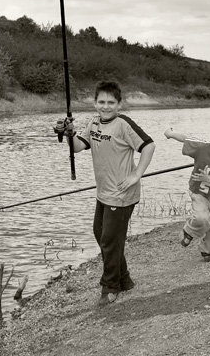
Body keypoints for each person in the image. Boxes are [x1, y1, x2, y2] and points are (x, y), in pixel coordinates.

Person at [54, 80, 155, 306]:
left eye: (111, 102)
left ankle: (110, 287)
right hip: (103, 193)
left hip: (121, 194)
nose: (106, 106)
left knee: (109, 240)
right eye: (102, 101)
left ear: (119, 104)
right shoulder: (95, 123)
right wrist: (68, 134)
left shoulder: (124, 124)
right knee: (101, 234)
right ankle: (125, 279)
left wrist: (136, 175)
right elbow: (79, 146)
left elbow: (149, 146)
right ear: (95, 103)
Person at [164, 118, 210, 262]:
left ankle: (206, 249)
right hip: (198, 191)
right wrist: (171, 133)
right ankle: (189, 231)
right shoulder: (203, 147)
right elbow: (186, 139)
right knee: (202, 218)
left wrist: (208, 179)